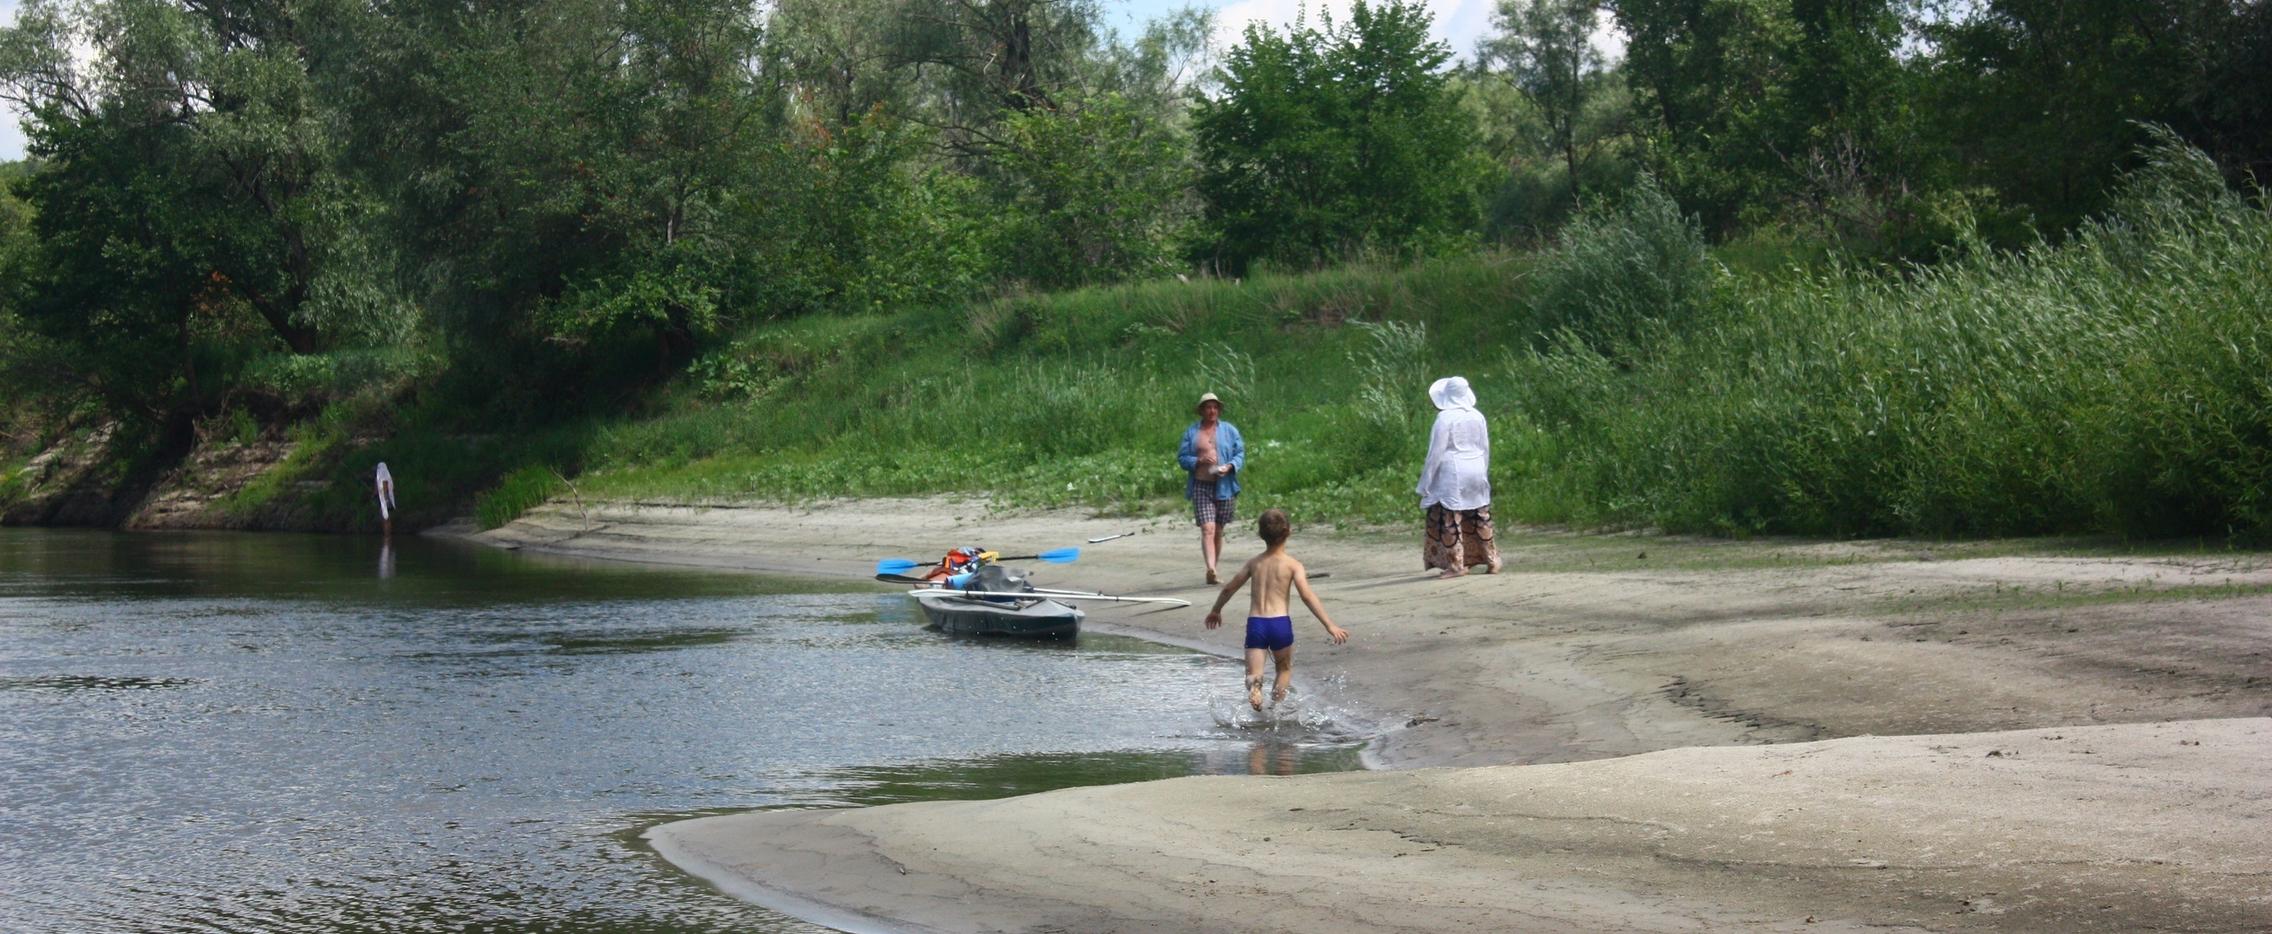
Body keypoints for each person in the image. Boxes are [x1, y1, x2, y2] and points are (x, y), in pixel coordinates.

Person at [1204, 508, 1350, 711]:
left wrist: (1216, 610)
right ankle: (1276, 709)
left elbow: (1229, 588)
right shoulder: (1293, 565)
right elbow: (1307, 596)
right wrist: (1329, 625)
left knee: (1254, 674)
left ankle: (1255, 688)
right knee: (1284, 669)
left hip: (1257, 624)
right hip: (1280, 624)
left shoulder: (1254, 563)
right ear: (1288, 531)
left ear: (1260, 534)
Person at [1416, 376, 1500, 579]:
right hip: (1476, 467)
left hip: (1452, 472)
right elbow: (1485, 447)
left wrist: (1425, 482)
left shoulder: (1445, 419)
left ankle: (1456, 565)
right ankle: (1492, 559)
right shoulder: (1477, 416)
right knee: (1480, 515)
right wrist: (1483, 471)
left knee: (1450, 518)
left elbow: (1435, 453)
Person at [1176, 391, 1245, 584]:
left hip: (1225, 486)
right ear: (1201, 411)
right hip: (1200, 485)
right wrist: (1198, 460)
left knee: (1218, 529)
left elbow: (1240, 453)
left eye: (1215, 407)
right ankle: (1211, 569)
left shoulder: (1229, 430)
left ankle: (1214, 568)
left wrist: (1230, 466)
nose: (1212, 411)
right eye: (1208, 407)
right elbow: (1182, 458)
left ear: (1219, 410)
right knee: (1208, 528)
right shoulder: (1192, 432)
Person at [374, 461, 397, 537]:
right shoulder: (389, 477)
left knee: (385, 519)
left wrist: (377, 493)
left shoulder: (381, 478)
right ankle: (388, 534)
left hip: (384, 501)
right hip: (389, 500)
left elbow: (383, 489)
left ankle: (387, 535)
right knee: (387, 519)